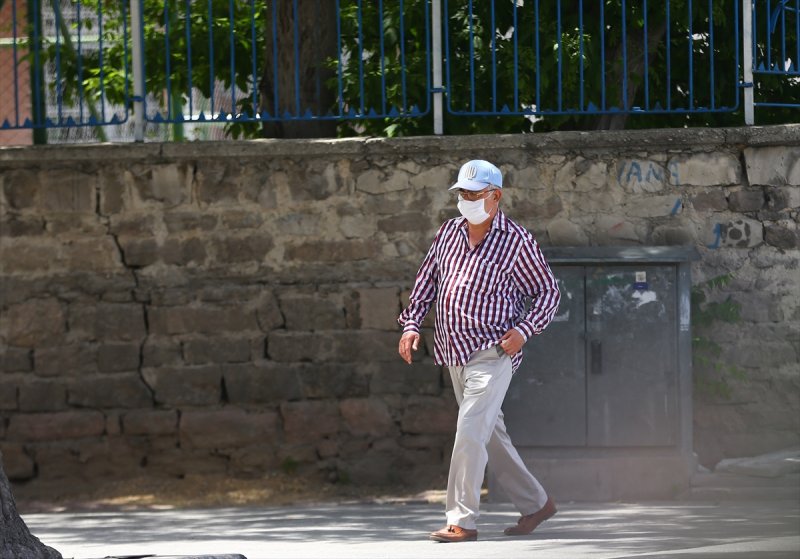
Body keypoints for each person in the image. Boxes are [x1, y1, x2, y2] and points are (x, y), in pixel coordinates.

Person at [397, 159, 561, 543]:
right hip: (454, 351)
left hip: (493, 352)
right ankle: (536, 504)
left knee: (470, 430)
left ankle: (462, 520)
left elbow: (548, 292)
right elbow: (427, 282)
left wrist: (524, 330)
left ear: (495, 196)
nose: (466, 201)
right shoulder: (448, 232)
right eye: (462, 194)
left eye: (474, 194)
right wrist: (411, 324)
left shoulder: (517, 241)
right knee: (489, 436)